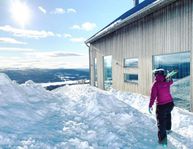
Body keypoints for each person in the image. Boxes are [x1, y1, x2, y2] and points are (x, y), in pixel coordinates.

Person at [148, 68, 174, 146]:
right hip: (170, 104)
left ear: (155, 74)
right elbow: (171, 81)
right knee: (168, 115)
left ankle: (163, 141)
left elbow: (153, 96)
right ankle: (168, 129)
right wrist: (168, 77)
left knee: (161, 122)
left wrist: (150, 105)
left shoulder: (155, 84)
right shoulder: (166, 81)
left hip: (161, 105)